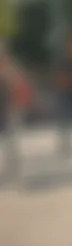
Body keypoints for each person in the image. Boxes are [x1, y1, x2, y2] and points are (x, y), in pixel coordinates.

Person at [0, 45, 22, 182]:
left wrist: (15, 109)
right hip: (6, 113)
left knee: (10, 144)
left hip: (6, 114)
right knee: (10, 143)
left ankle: (14, 171)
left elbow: (16, 93)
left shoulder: (9, 75)